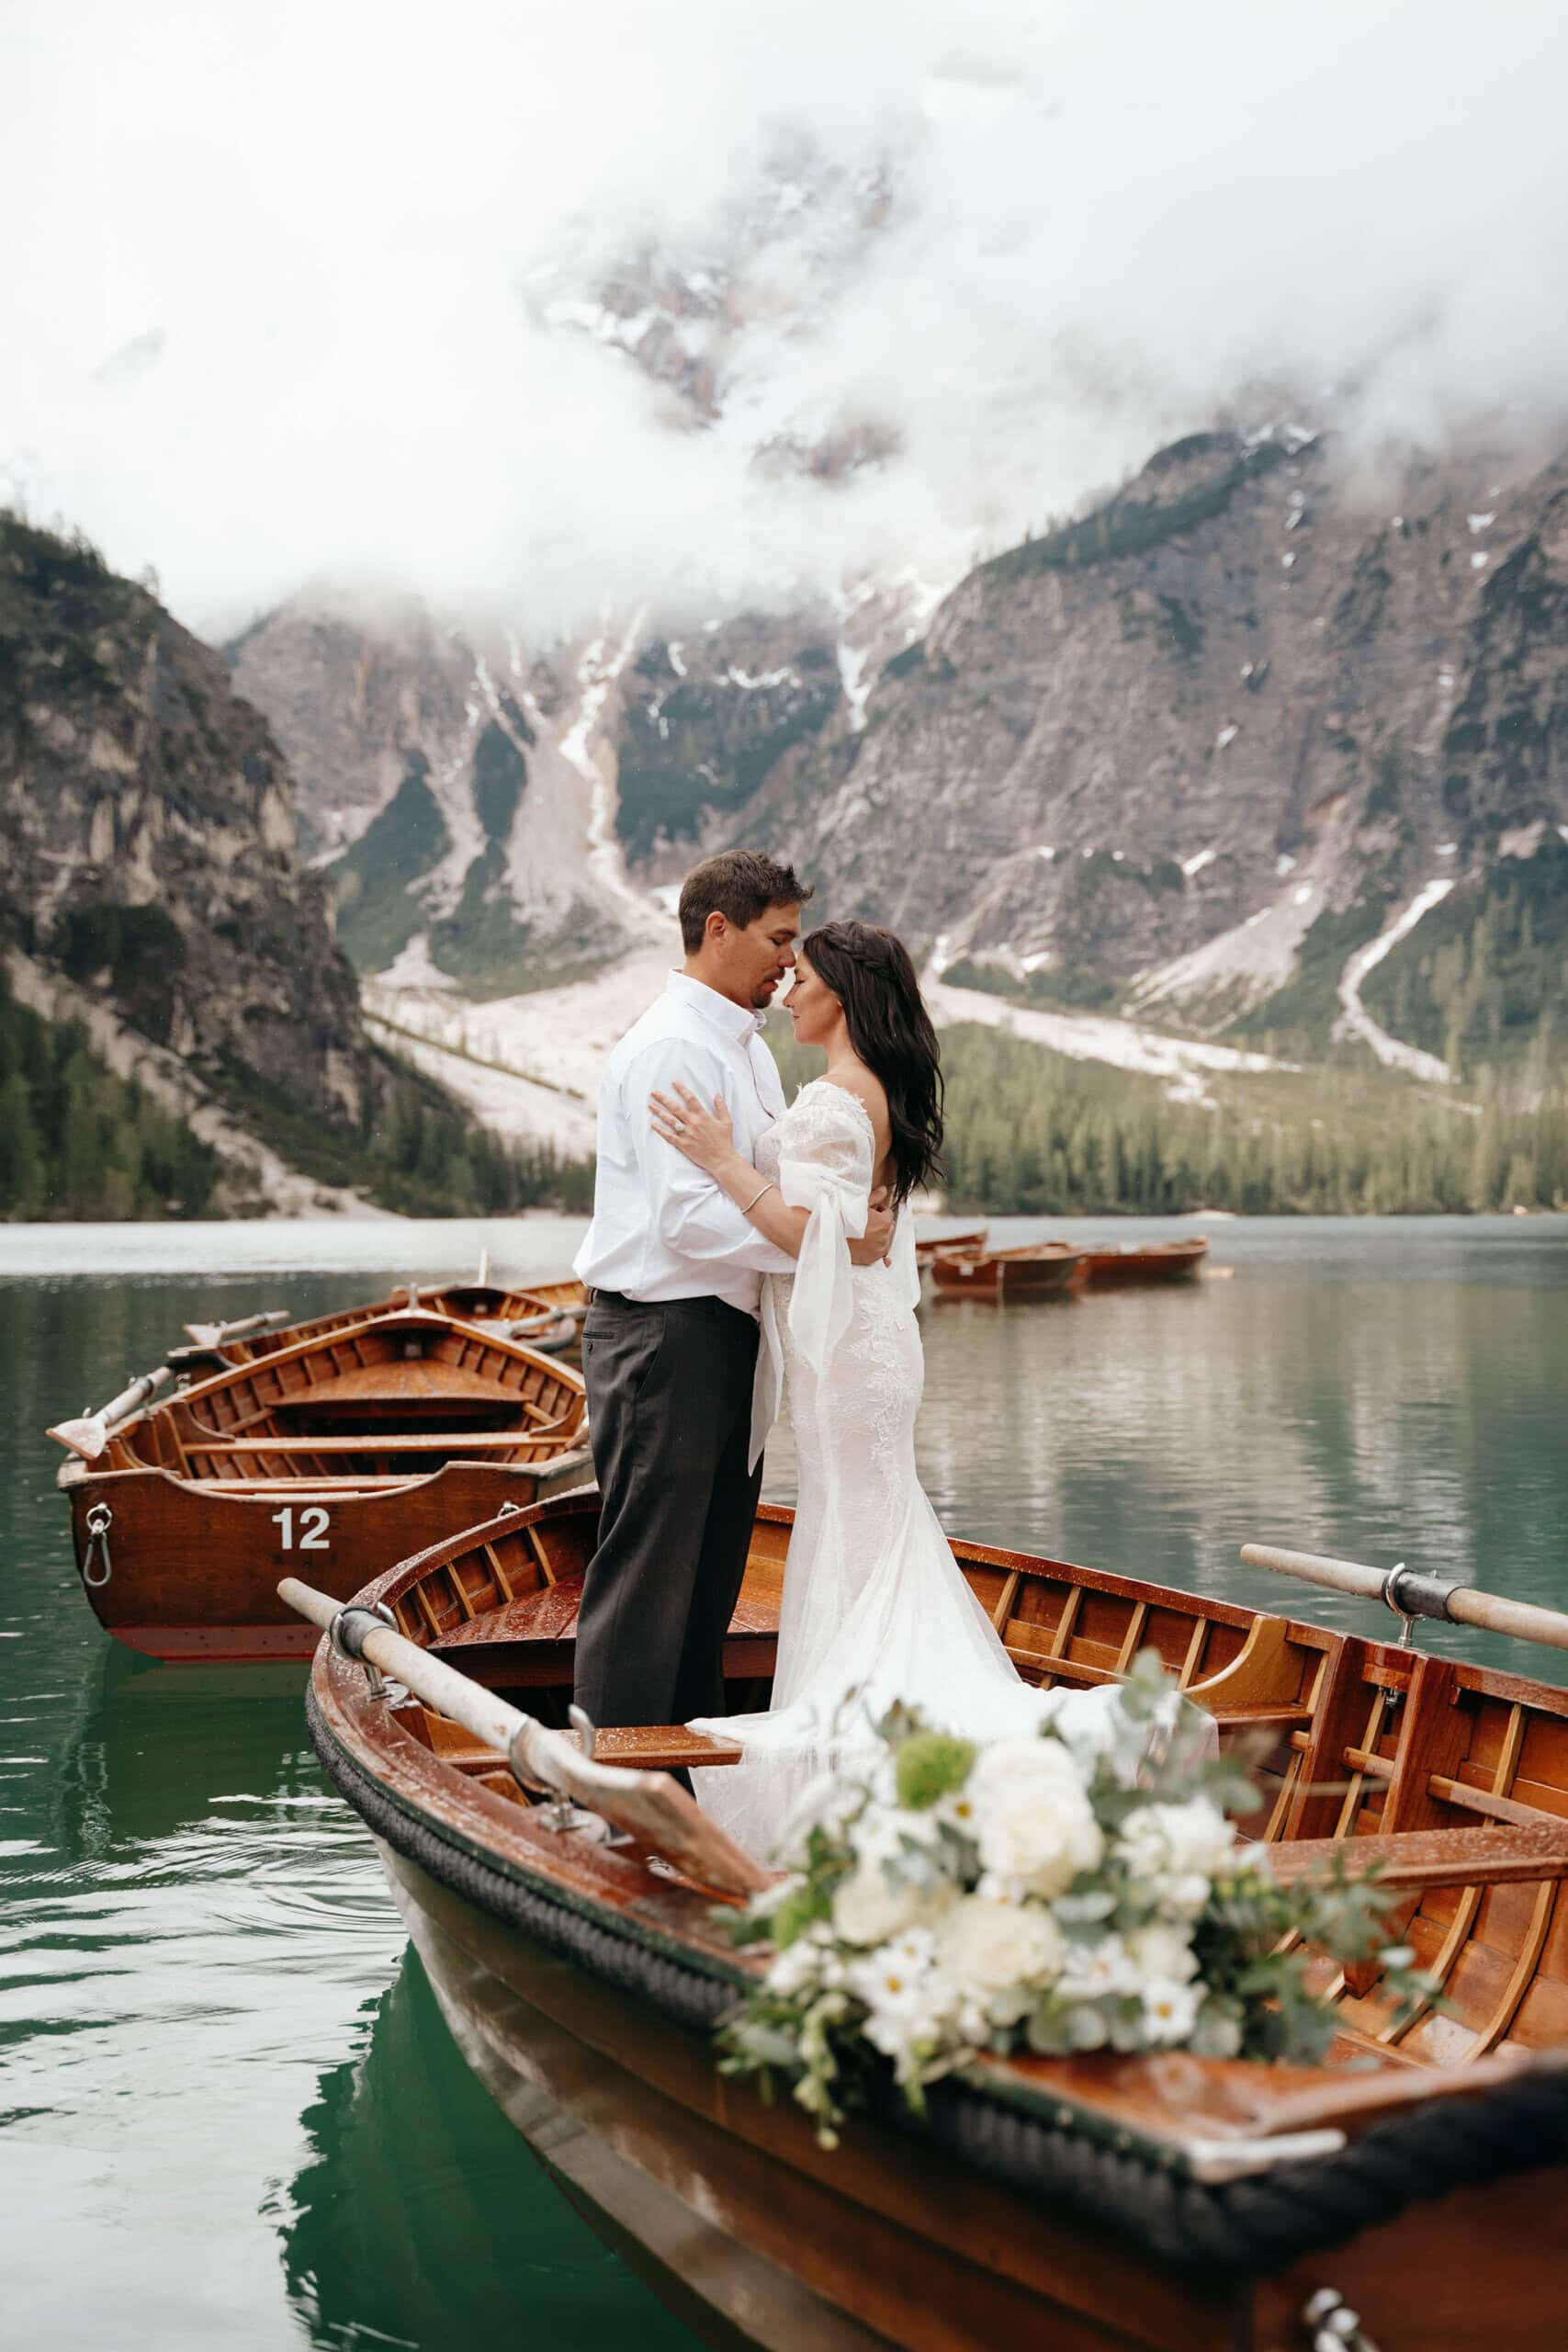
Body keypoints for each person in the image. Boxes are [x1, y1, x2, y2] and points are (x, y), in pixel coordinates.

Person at [649, 919, 1145, 1855]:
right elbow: (845, 1229)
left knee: (859, 1530)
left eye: (802, 978)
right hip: (865, 1342)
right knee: (867, 1524)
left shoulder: (838, 1101)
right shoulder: (867, 1091)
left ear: (840, 994)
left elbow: (807, 1232)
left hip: (850, 1356)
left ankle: (876, 1758)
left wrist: (720, 1156)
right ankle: (882, 1747)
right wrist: (835, 1222)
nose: (788, 991)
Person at [571, 852, 896, 1758]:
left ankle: (683, 1782)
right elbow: (690, 1220)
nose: (791, 966)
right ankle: (608, 1789)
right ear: (719, 930)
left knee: (707, 1579)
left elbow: (763, 1180)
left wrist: (835, 1219)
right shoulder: (675, 1044)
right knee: (647, 1578)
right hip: (662, 1335)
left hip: (721, 1337)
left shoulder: (741, 1044)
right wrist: (826, 1243)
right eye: (779, 940)